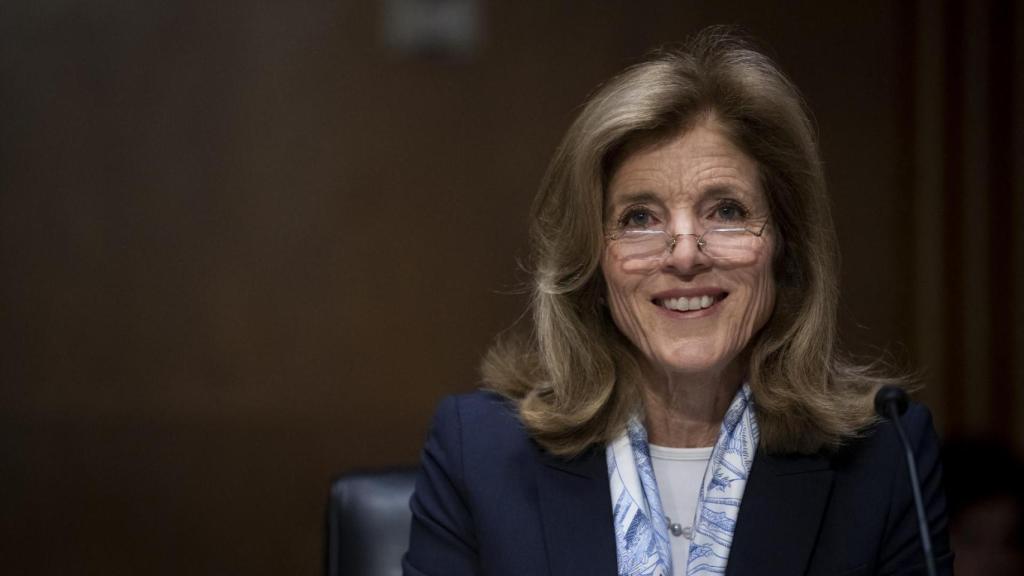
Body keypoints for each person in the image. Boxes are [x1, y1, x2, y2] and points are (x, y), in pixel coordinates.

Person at [403, 28, 953, 576]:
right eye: (639, 218)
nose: (685, 255)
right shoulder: (479, 453)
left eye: (727, 211)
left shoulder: (886, 458)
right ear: (591, 262)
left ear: (784, 245)